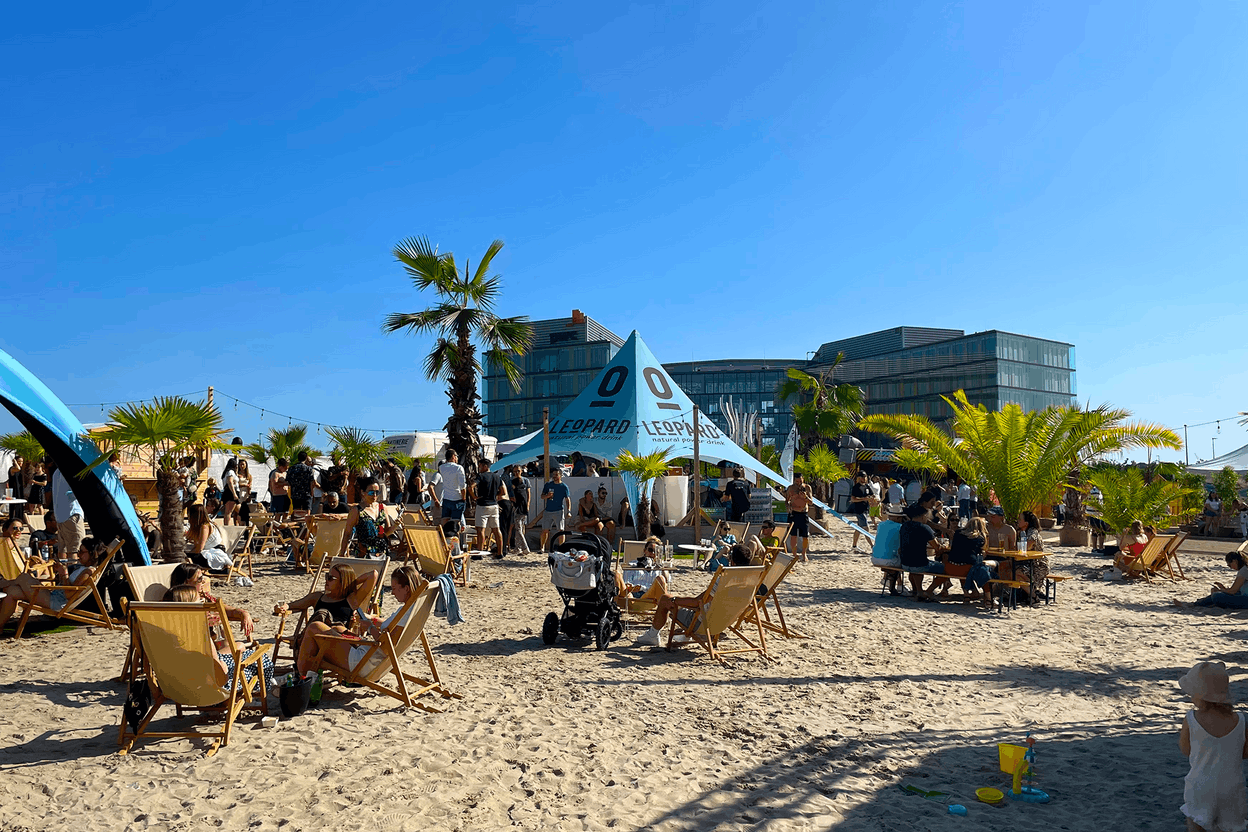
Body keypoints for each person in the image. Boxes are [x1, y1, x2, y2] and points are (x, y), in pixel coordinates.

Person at [297, 565, 422, 674]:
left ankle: (302, 677)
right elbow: (391, 626)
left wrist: (370, 628)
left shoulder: (405, 612)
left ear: (406, 588)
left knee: (315, 627)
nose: (393, 593)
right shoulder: (412, 609)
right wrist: (370, 619)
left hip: (364, 662)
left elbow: (387, 645)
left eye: (394, 588)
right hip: (372, 657)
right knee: (337, 628)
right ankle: (307, 672)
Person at [634, 543, 755, 646]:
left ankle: (652, 635)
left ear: (732, 561)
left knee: (666, 599)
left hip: (701, 623)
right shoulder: (750, 580)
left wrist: (675, 600)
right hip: (722, 623)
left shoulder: (725, 578)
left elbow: (698, 602)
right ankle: (683, 636)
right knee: (673, 598)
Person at [1176, 661, 1248, 832]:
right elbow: (1245, 753)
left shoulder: (1191, 719)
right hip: (1232, 788)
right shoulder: (1241, 720)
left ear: (1199, 694)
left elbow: (1186, 750)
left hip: (1200, 785)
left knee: (1196, 824)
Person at [163, 582, 275, 691]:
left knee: (240, 648)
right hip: (212, 687)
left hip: (180, 686)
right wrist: (225, 666)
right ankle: (263, 688)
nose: (203, 602)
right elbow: (221, 675)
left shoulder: (164, 631)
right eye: (200, 601)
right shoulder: (200, 634)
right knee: (260, 657)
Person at [274, 561, 378, 661]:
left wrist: (350, 583)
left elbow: (373, 574)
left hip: (337, 642)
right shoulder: (317, 597)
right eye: (326, 576)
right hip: (315, 638)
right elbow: (294, 604)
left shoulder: (351, 600)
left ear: (342, 581)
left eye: (331, 578)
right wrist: (284, 607)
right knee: (321, 615)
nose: (326, 580)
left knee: (335, 626)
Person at [0, 535, 107, 632]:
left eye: (82, 552)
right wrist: (60, 574)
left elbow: (70, 594)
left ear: (93, 554)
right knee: (12, 592)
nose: (78, 554)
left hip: (57, 602)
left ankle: (3, 583)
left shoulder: (88, 572)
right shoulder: (83, 568)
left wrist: (64, 573)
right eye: (79, 551)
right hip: (55, 596)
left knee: (24, 577)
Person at [899, 504, 949, 601]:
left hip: (904, 562)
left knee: (915, 565)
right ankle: (928, 591)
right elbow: (937, 547)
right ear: (923, 516)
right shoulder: (924, 528)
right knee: (945, 569)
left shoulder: (905, 526)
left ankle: (918, 590)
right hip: (919, 564)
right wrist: (945, 546)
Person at [338, 476, 393, 559]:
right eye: (371, 492)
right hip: (364, 554)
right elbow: (347, 534)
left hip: (382, 553)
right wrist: (342, 553)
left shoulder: (382, 508)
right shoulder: (356, 511)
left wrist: (396, 525)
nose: (374, 495)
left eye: (377, 492)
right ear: (363, 492)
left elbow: (386, 533)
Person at [1176, 551, 1248, 610]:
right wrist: (1223, 589)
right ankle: (1194, 604)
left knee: (1217, 596)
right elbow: (1235, 590)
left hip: (1245, 600)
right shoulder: (1244, 569)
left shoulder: (1243, 571)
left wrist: (1220, 591)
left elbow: (1233, 591)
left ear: (1235, 561)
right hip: (1243, 597)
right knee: (1217, 594)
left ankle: (1193, 604)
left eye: (1229, 565)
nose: (1231, 568)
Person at [949, 516, 992, 606]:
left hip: (950, 567)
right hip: (966, 568)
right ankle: (988, 598)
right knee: (981, 570)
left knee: (962, 564)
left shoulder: (958, 532)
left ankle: (966, 595)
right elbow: (983, 551)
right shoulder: (980, 538)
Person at [47, 457, 85, 560]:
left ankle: (63, 572)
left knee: (62, 550)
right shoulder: (72, 471)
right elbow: (77, 492)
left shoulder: (57, 472)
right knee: (75, 549)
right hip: (72, 513)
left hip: (60, 515)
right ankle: (72, 573)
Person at [470, 462, 507, 558]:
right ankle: (500, 553)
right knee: (496, 529)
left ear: (485, 466)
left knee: (481, 530)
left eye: (480, 466)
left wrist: (474, 497)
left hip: (482, 505)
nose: (479, 468)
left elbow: (471, 486)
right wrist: (494, 495)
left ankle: (479, 553)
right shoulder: (497, 477)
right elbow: (503, 492)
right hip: (494, 505)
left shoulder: (481, 476)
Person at [186, 503, 231, 573]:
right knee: (186, 555)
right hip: (210, 551)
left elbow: (200, 547)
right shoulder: (205, 524)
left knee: (186, 557)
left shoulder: (205, 527)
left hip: (214, 553)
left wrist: (189, 553)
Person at [870, 507, 906, 595]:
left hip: (875, 557)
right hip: (888, 560)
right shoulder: (900, 527)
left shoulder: (881, 525)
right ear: (898, 518)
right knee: (902, 561)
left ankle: (892, 582)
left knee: (892, 555)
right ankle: (894, 587)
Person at [538, 468, 571, 553]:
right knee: (545, 529)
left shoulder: (564, 486)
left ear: (560, 476)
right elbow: (542, 496)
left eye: (556, 475)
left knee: (560, 530)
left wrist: (569, 511)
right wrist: (547, 496)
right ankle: (542, 548)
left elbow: (567, 499)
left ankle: (561, 548)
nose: (554, 477)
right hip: (548, 510)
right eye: (553, 475)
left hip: (559, 510)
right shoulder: (548, 485)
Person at [785, 472, 813, 562]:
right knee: (793, 535)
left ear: (803, 479)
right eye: (797, 481)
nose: (798, 483)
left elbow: (811, 502)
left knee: (805, 536)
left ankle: (804, 554)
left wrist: (805, 497)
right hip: (794, 513)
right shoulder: (791, 488)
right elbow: (787, 500)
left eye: (800, 480)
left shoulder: (807, 487)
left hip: (803, 513)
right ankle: (794, 554)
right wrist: (788, 507)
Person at [434, 449, 467, 523]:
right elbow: (462, 486)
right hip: (457, 499)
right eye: (456, 456)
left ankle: (444, 534)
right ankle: (456, 534)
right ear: (453, 457)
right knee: (456, 522)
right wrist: (464, 498)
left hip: (446, 498)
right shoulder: (459, 468)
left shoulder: (441, 467)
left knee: (445, 521)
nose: (457, 458)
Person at [849, 470, 873, 551]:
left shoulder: (867, 486)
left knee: (859, 528)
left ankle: (854, 546)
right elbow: (853, 499)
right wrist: (863, 499)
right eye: (862, 477)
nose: (864, 478)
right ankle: (872, 546)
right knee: (866, 528)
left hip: (866, 509)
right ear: (859, 478)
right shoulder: (856, 487)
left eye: (865, 477)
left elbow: (872, 495)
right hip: (859, 510)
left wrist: (873, 500)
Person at [286, 451, 317, 516]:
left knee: (297, 514)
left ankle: (297, 525)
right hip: (306, 494)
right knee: (307, 514)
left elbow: (288, 482)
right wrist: (312, 493)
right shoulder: (309, 469)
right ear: (305, 458)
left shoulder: (291, 468)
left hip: (295, 494)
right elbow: (312, 482)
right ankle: (306, 525)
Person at [508, 466, 531, 554]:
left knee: (520, 527)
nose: (516, 473)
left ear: (521, 471)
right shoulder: (512, 481)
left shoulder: (525, 481)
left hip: (523, 506)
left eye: (518, 471)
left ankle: (523, 547)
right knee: (518, 528)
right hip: (516, 506)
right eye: (515, 471)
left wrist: (528, 504)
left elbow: (528, 494)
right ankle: (520, 547)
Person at [220, 458, 240, 526]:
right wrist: (234, 494)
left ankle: (239, 525)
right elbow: (230, 482)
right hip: (231, 492)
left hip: (231, 492)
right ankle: (226, 527)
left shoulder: (229, 472)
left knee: (239, 511)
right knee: (228, 512)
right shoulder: (230, 472)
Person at [236, 459, 253, 526]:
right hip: (239, 491)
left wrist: (249, 489)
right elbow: (236, 484)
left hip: (246, 493)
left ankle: (246, 524)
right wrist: (243, 485)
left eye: (243, 464)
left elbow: (250, 484)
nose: (242, 466)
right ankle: (237, 524)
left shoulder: (249, 475)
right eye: (241, 464)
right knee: (238, 510)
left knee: (246, 509)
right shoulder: (237, 474)